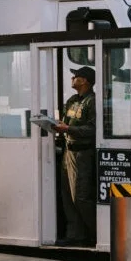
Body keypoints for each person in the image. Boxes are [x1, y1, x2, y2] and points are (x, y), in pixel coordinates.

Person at [54, 65, 97, 246]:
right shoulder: (71, 100)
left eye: (76, 77)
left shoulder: (92, 101)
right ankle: (75, 235)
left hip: (82, 153)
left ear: (85, 80)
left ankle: (95, 232)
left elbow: (93, 128)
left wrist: (69, 129)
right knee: (67, 195)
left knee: (80, 196)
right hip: (68, 151)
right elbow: (67, 122)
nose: (72, 79)